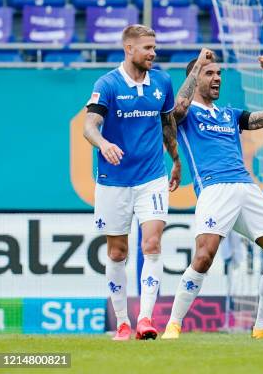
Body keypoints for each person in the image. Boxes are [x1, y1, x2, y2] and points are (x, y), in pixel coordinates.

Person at [161, 48, 263, 340]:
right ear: (195, 76)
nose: (217, 78)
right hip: (215, 188)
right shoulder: (185, 114)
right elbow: (177, 110)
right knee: (205, 255)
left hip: (246, 187)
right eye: (210, 73)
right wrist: (198, 63)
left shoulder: (229, 114)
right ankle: (173, 324)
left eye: (219, 73)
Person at [83, 24, 181, 341]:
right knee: (117, 252)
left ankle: (146, 319)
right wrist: (104, 144)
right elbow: (89, 126)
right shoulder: (108, 84)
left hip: (152, 177)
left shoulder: (162, 81)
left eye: (155, 47)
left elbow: (167, 125)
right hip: (114, 181)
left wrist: (176, 159)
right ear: (129, 49)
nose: (153, 53)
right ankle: (123, 322)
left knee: (152, 245)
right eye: (147, 48)